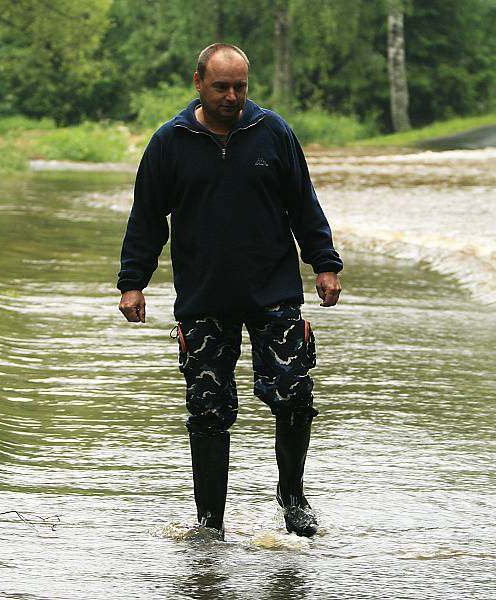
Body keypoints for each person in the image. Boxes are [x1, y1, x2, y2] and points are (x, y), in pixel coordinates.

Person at [117, 43, 342, 539]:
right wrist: (133, 281)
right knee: (207, 408)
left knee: (293, 396)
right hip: (204, 299)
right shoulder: (170, 142)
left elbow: (304, 204)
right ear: (198, 83)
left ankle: (293, 499)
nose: (232, 96)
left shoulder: (274, 133)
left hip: (275, 294)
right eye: (222, 86)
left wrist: (324, 265)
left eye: (240, 86)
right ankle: (209, 523)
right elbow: (147, 219)